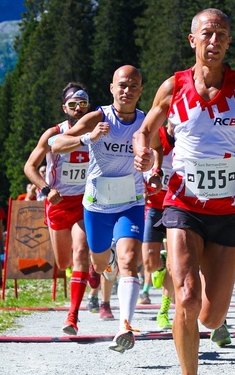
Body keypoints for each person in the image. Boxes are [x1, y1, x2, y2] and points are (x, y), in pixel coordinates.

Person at [132, 8, 235, 375]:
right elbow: (145, 131)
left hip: (232, 208)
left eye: (221, 35)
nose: (214, 41)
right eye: (207, 34)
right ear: (193, 40)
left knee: (211, 316)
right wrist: (143, 154)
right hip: (183, 203)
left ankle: (202, 301)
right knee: (186, 295)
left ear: (229, 42)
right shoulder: (174, 87)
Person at [52, 65, 149, 353]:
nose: (127, 91)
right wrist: (88, 138)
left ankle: (125, 327)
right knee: (98, 264)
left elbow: (156, 150)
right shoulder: (98, 117)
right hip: (97, 204)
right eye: (122, 85)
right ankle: (107, 262)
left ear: (141, 90)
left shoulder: (145, 121)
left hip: (131, 202)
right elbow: (57, 144)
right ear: (112, 88)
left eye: (133, 86)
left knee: (129, 260)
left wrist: (151, 163)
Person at [24, 84, 99, 333]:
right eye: (73, 105)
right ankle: (88, 266)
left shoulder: (97, 130)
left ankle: (72, 316)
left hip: (85, 201)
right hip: (57, 202)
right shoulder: (53, 134)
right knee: (64, 262)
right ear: (64, 108)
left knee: (81, 251)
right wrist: (46, 190)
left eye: (83, 104)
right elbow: (30, 167)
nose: (78, 109)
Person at [142, 121, 175, 329]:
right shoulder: (157, 136)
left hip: (176, 206)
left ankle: (163, 311)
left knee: (174, 262)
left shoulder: (190, 136)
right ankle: (159, 265)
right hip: (154, 205)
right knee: (149, 264)